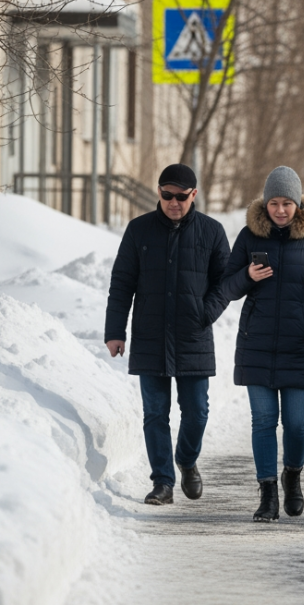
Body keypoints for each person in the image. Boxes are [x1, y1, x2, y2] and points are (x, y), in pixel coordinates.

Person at [105, 163, 232, 505]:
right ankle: (163, 481)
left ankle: (187, 461)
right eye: (166, 195)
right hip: (150, 335)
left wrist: (206, 312)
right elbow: (122, 284)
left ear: (194, 195)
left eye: (180, 196)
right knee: (155, 413)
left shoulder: (212, 232)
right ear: (158, 192)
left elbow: (227, 282)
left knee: (197, 412)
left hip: (194, 336)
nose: (173, 202)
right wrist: (115, 330)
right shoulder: (138, 230)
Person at [224, 166, 304, 521]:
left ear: (298, 204)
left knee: (296, 423)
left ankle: (293, 476)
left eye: (286, 203)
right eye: (274, 203)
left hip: (299, 347)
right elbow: (226, 288)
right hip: (256, 344)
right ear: (265, 203)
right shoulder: (249, 237)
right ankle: (267, 495)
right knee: (263, 421)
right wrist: (247, 276)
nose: (279, 210)